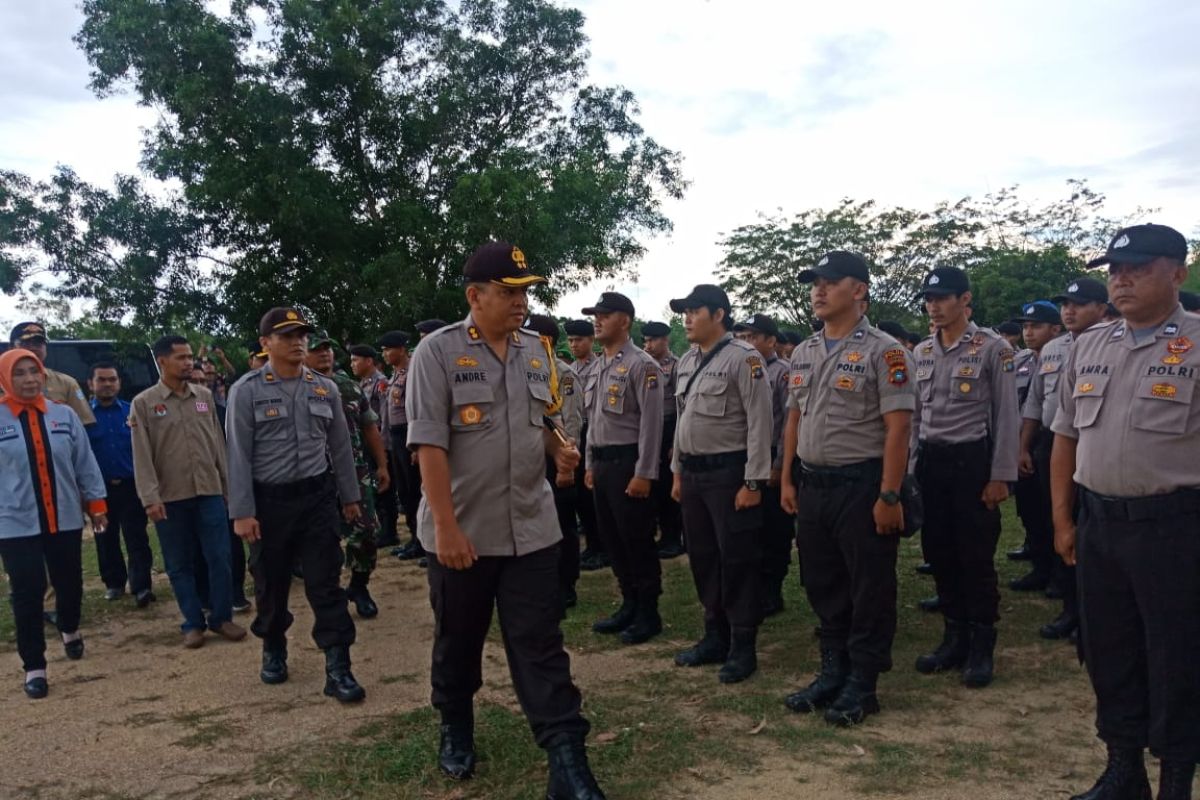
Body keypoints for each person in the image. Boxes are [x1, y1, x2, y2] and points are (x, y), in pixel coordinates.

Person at [406, 242, 604, 798]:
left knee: (539, 644)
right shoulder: (437, 353)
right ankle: (456, 724)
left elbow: (541, 419)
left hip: (533, 525)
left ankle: (567, 759)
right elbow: (428, 445)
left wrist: (558, 448)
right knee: (459, 639)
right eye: (509, 292)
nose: (521, 302)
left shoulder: (537, 350)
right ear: (476, 295)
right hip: (464, 531)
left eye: (525, 292)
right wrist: (444, 527)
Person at [1051, 224, 1199, 800]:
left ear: (1178, 272)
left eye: (1138, 266)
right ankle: (1123, 768)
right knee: (1110, 650)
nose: (1122, 278)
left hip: (1175, 528)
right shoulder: (1091, 345)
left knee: (1176, 656)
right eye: (1115, 269)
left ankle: (1177, 779)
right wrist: (1064, 521)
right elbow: (1065, 437)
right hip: (1100, 526)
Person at [778, 252, 916, 724]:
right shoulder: (803, 351)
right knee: (822, 581)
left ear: (858, 290)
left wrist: (889, 495)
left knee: (869, 586)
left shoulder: (887, 351)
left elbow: (898, 429)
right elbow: (795, 416)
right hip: (813, 484)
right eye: (815, 283)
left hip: (862, 484)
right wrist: (787, 477)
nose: (818, 291)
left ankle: (864, 682)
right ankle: (832, 670)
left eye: (830, 282)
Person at [226, 308, 365, 702]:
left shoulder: (325, 388)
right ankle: (273, 646)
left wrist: (350, 497)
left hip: (317, 499)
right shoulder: (247, 390)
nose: (298, 342)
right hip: (269, 502)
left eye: (301, 334)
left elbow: (340, 447)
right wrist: (243, 511)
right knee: (271, 583)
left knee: (326, 583)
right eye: (286, 336)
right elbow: (238, 454)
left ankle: (338, 667)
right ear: (265, 343)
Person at [910, 267, 1019, 688]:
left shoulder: (992, 348)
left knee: (975, 556)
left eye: (943, 298)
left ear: (964, 300)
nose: (934, 306)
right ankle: (953, 636)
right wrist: (908, 471)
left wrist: (1001, 476)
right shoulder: (921, 351)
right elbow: (918, 417)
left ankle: (980, 645)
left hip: (972, 463)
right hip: (932, 464)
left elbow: (1006, 415)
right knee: (939, 550)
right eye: (929, 298)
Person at [670, 284, 773, 684]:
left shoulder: (743, 359)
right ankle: (715, 634)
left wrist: (754, 481)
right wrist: (678, 471)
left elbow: (760, 423)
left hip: (730, 475)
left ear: (719, 315)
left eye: (695, 311)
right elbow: (682, 421)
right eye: (685, 311)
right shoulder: (687, 361)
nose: (688, 318)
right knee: (703, 557)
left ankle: (743, 644)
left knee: (738, 560)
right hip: (694, 475)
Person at [0, 349, 107, 699]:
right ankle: (35, 666)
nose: (30, 379)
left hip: (63, 517)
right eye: (20, 373)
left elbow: (84, 463)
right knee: (27, 593)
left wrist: (96, 503)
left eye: (35, 372)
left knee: (70, 582)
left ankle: (70, 627)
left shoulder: (64, 415)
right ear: (5, 378)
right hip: (15, 523)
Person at [130, 336, 245, 649]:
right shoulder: (144, 403)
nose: (188, 363)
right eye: (181, 357)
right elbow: (141, 455)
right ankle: (192, 623)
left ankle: (221, 618)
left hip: (208, 492)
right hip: (170, 498)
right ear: (162, 361)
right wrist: (150, 498)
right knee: (179, 563)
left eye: (190, 356)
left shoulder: (204, 396)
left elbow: (218, 445)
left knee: (220, 557)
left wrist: (226, 486)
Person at [1021, 279, 1108, 643]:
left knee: (1090, 533)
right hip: (1052, 443)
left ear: (1102, 308)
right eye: (1066, 304)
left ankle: (1092, 615)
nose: (1069, 310)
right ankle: (1069, 605)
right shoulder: (1054, 348)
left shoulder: (1111, 344)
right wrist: (1023, 445)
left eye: (1080, 303)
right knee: (1056, 521)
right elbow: (1036, 402)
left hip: (1092, 447)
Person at [582, 292, 665, 645]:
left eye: (605, 314)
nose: (597, 320)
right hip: (601, 464)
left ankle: (648, 611)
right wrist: (588, 463)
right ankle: (628, 602)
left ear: (625, 321)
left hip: (628, 463)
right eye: (595, 315)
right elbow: (592, 421)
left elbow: (651, 424)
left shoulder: (642, 365)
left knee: (637, 540)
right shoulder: (599, 365)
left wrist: (644, 472)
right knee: (612, 540)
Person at [307, 333, 390, 619]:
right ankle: (329, 597)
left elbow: (369, 428)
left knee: (367, 531)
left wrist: (382, 465)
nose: (324, 354)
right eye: (316, 350)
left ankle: (359, 586)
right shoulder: (298, 388)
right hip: (316, 475)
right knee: (323, 540)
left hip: (356, 472)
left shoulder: (350, 388)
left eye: (327, 349)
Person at [732, 312, 792, 616]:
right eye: (743, 337)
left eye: (754, 336)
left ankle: (772, 590)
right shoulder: (740, 366)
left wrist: (779, 465)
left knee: (774, 530)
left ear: (771, 340)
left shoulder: (782, 373)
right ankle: (753, 588)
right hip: (745, 455)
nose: (747, 342)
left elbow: (787, 424)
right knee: (749, 529)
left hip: (771, 457)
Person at [525, 314, 585, 614]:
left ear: (543, 341)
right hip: (533, 461)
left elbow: (571, 426)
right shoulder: (528, 372)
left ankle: (567, 584)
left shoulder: (563, 375)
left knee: (563, 524)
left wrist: (566, 467)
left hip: (558, 460)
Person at [86, 362, 154, 607]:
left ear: (119, 383)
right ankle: (114, 583)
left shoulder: (131, 412)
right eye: (101, 380)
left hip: (131, 485)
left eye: (112, 379)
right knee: (105, 538)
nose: (107, 384)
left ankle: (142, 586)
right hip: (99, 489)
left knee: (136, 536)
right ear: (90, 384)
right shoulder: (83, 417)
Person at [1005, 301, 1062, 593]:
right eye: (1025, 326)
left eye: (1036, 326)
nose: (1028, 332)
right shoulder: (1020, 361)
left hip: (1053, 437)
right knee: (1029, 508)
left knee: (1055, 508)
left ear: (1055, 328)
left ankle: (1059, 573)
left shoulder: (1068, 354)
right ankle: (1039, 566)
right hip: (1023, 439)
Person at [565, 319, 607, 572]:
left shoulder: (600, 367)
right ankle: (592, 545)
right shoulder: (571, 369)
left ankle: (601, 547)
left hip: (594, 433)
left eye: (578, 340)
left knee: (593, 497)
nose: (574, 344)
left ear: (591, 340)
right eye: (570, 340)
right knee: (581, 497)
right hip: (575, 436)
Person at [351, 343, 398, 560]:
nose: (353, 364)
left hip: (381, 442)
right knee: (376, 489)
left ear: (369, 361)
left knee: (384, 488)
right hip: (369, 444)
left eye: (356, 360)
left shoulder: (381, 383)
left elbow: (386, 417)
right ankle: (384, 529)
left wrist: (385, 446)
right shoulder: (363, 384)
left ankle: (390, 531)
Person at [641, 320, 684, 559]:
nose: (648, 345)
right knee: (654, 486)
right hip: (649, 428)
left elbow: (681, 407)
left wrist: (675, 443)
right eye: (645, 340)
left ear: (665, 339)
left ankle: (672, 538)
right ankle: (661, 535)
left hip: (669, 427)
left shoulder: (676, 366)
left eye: (652, 340)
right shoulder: (643, 365)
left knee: (669, 487)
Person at [7, 323, 96, 426]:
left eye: (38, 343)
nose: (33, 348)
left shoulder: (67, 383)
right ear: (11, 348)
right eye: (26, 343)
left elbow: (85, 426)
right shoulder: (2, 384)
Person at [379, 330, 419, 556]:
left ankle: (422, 542)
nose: (384, 354)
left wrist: (415, 445)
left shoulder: (412, 372)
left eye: (388, 349)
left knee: (414, 490)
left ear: (402, 350)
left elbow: (415, 407)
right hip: (395, 436)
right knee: (403, 491)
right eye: (383, 350)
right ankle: (414, 538)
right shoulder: (395, 375)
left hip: (407, 434)